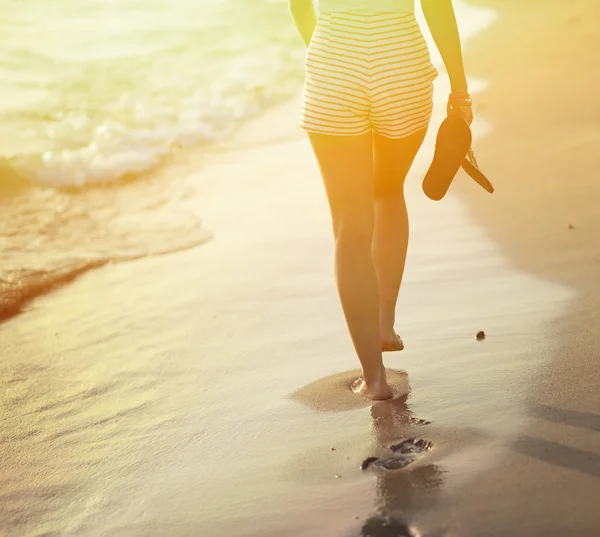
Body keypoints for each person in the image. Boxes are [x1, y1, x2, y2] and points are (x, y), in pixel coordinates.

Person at [289, 0, 473, 400]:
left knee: (350, 229)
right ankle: (385, 322)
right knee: (387, 190)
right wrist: (460, 91)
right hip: (401, 68)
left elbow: (299, 5)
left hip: (334, 66)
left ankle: (375, 379)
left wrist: (326, 53)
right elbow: (436, 5)